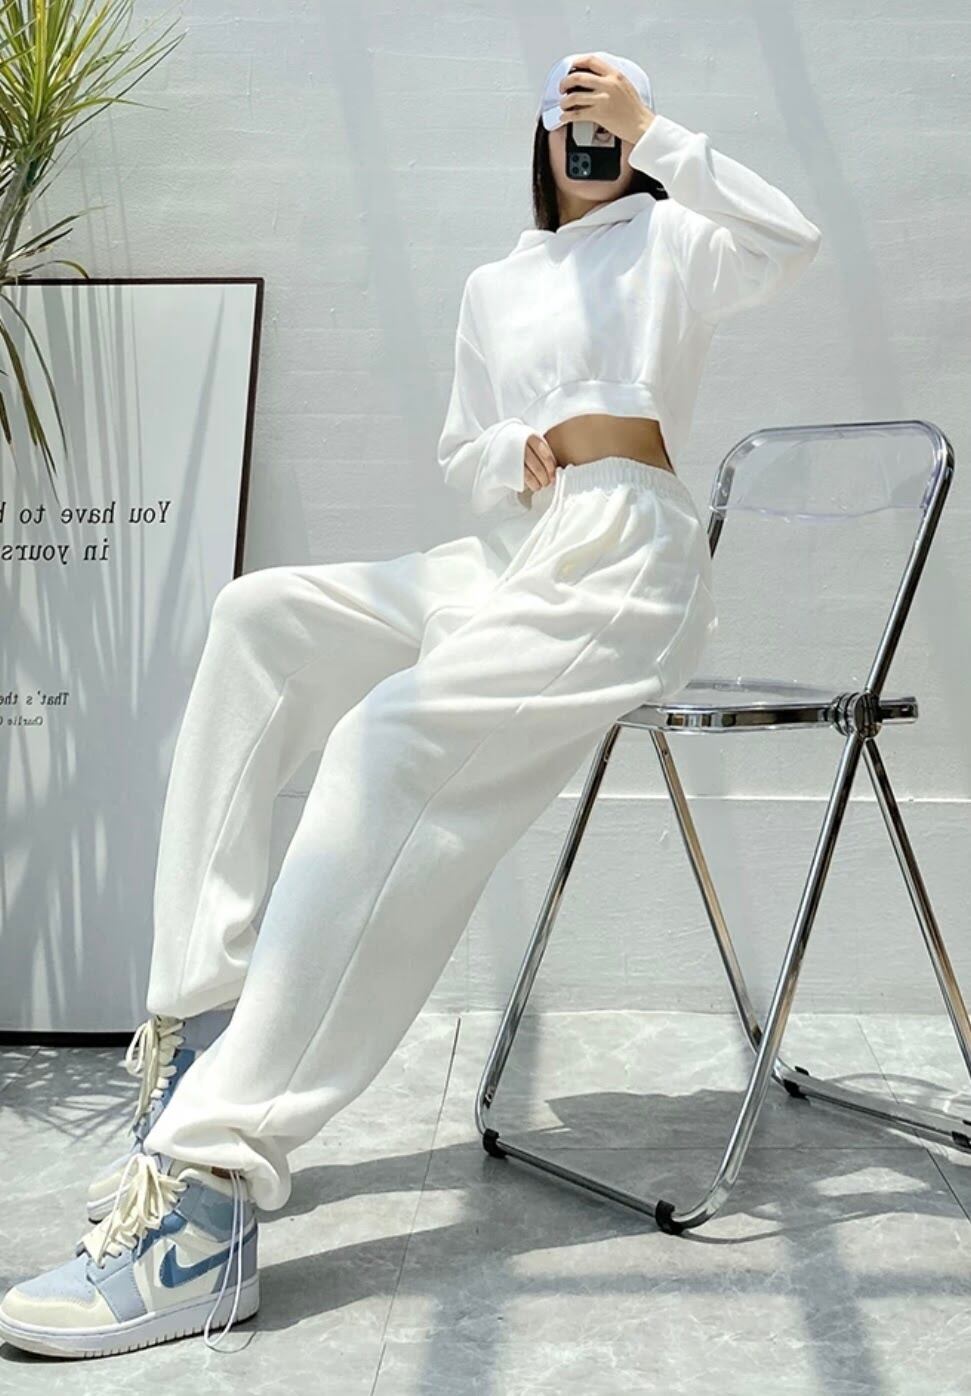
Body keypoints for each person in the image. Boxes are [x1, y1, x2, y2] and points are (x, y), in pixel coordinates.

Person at [0, 48, 822, 1358]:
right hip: (512, 551)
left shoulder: (676, 245)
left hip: (627, 560)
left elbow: (793, 239)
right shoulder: (497, 284)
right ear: (538, 141)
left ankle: (210, 1193)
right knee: (258, 614)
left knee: (382, 741)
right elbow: (462, 450)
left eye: (610, 117)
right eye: (572, 117)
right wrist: (513, 454)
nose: (591, 136)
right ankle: (196, 1030)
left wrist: (664, 137)